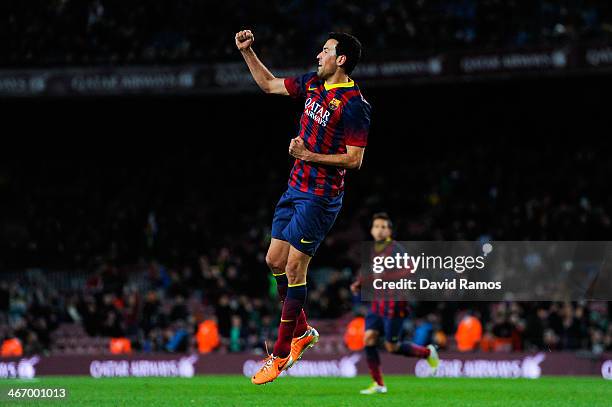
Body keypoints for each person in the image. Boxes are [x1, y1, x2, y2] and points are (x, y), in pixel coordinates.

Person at [235, 29, 371, 385]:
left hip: (322, 196)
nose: (318, 56)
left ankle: (279, 356)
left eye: (325, 51)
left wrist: (307, 154)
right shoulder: (312, 84)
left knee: (295, 268)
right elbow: (269, 85)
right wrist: (248, 51)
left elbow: (355, 160)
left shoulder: (355, 105)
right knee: (273, 261)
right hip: (295, 188)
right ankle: (304, 331)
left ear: (340, 59)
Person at [351, 212, 439, 394]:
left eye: (383, 227)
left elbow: (410, 269)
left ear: (389, 230)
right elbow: (374, 274)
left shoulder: (395, 249)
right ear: (372, 230)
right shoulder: (374, 249)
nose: (380, 230)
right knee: (368, 338)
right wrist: (360, 283)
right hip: (377, 302)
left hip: (394, 302)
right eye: (376, 226)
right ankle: (379, 384)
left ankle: (428, 353)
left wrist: (386, 276)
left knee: (392, 346)